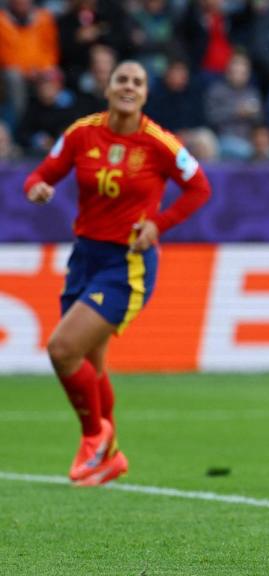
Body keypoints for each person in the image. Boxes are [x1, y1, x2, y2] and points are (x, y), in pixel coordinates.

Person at [22, 60, 212, 487]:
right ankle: (109, 457)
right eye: (122, 80)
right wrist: (36, 187)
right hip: (84, 258)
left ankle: (94, 438)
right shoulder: (80, 133)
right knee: (91, 360)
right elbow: (41, 173)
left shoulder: (159, 142)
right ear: (107, 88)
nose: (129, 86)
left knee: (62, 349)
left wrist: (157, 225)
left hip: (126, 264)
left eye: (137, 82)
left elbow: (200, 187)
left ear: (146, 94)